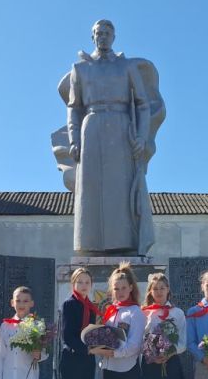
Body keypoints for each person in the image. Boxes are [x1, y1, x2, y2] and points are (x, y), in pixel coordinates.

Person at [67, 19, 156, 255]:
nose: (103, 36)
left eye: (107, 33)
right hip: (92, 127)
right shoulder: (80, 69)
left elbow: (142, 104)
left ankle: (124, 244)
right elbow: (74, 107)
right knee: (90, 189)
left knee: (121, 188)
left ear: (114, 37)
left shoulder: (126, 67)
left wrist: (141, 137)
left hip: (120, 127)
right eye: (98, 33)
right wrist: (74, 139)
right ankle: (90, 244)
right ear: (92, 37)